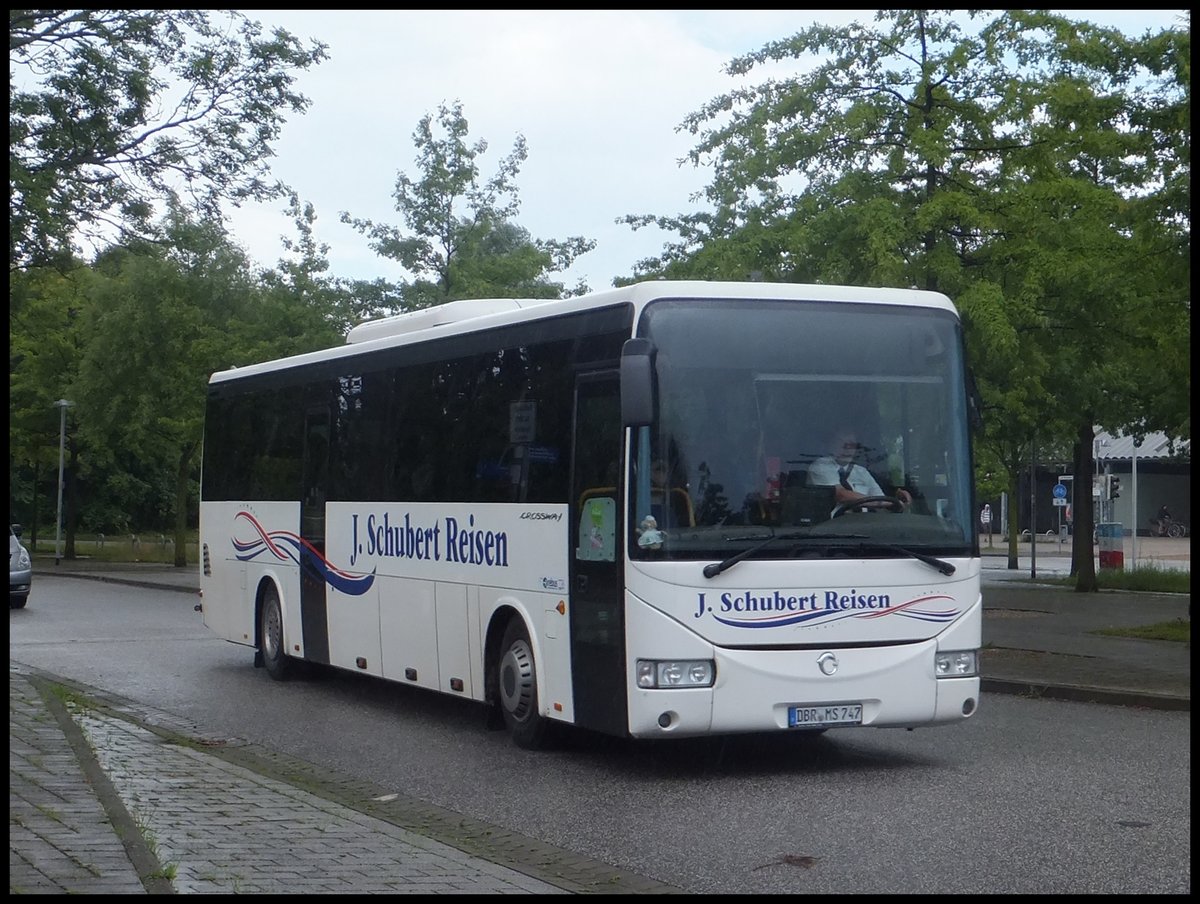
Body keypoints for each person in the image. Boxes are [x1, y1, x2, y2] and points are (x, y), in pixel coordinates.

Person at [808, 427, 912, 508]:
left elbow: (880, 497)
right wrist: (885, 503)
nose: (847, 449)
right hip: (830, 526)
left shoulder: (862, 472)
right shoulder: (821, 466)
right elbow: (840, 495)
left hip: (865, 524)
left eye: (852, 445)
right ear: (831, 445)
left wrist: (896, 500)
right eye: (842, 444)